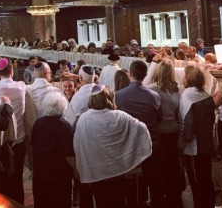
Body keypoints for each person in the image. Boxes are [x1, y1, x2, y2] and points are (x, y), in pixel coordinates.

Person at [74, 84, 152, 208]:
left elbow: (78, 144)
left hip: (97, 173)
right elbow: (142, 129)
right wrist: (132, 155)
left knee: (101, 203)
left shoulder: (84, 119)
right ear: (110, 98)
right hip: (118, 172)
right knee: (118, 202)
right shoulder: (121, 116)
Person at [115, 60, 164, 208]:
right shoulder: (153, 95)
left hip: (131, 145)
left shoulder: (119, 95)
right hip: (152, 143)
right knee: (155, 182)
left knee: (135, 187)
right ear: (145, 75)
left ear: (130, 74)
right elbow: (159, 117)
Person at [0, 58, 27, 203]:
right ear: (12, 71)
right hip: (18, 140)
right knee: (17, 177)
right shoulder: (20, 86)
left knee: (3, 179)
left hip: (1, 142)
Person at [179, 65, 216, 208]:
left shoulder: (188, 96)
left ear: (189, 78)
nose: (183, 77)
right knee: (206, 178)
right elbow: (212, 119)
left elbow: (189, 124)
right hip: (207, 144)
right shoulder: (206, 95)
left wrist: (183, 141)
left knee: (196, 181)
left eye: (184, 75)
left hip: (195, 148)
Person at [31, 91, 75, 208]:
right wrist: (76, 169)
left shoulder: (38, 123)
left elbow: (33, 146)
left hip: (40, 174)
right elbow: (69, 155)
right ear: (63, 107)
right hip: (60, 177)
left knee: (42, 203)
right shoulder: (66, 127)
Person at [148, 60, 183, 207]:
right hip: (173, 131)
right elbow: (179, 114)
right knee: (173, 168)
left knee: (159, 169)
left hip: (160, 133)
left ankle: (160, 200)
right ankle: (174, 199)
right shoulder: (178, 90)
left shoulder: (152, 90)